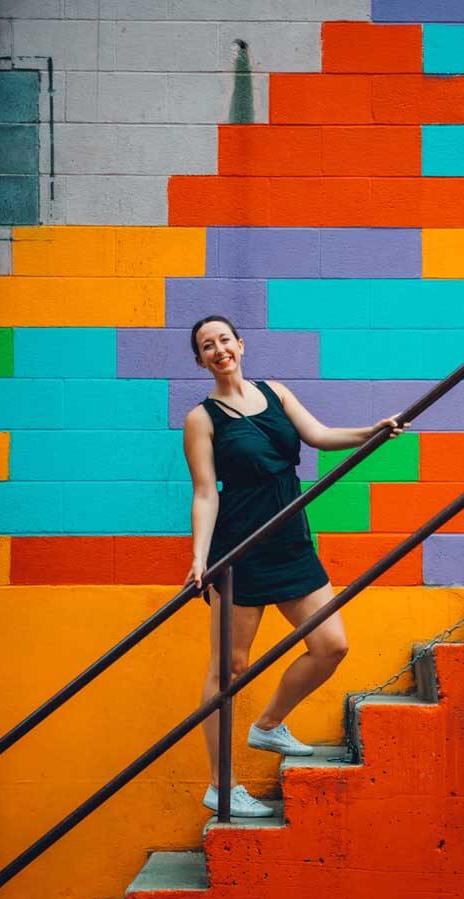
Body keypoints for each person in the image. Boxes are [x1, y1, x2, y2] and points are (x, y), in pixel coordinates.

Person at [183, 314, 405, 818]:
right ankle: (221, 786)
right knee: (231, 668)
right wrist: (200, 559)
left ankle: (268, 727)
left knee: (331, 645)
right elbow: (204, 493)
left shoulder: (276, 392)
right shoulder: (202, 419)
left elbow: (321, 436)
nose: (219, 350)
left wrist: (369, 433)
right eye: (206, 346)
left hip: (289, 540)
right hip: (239, 550)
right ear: (200, 360)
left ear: (240, 344)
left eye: (224, 339)